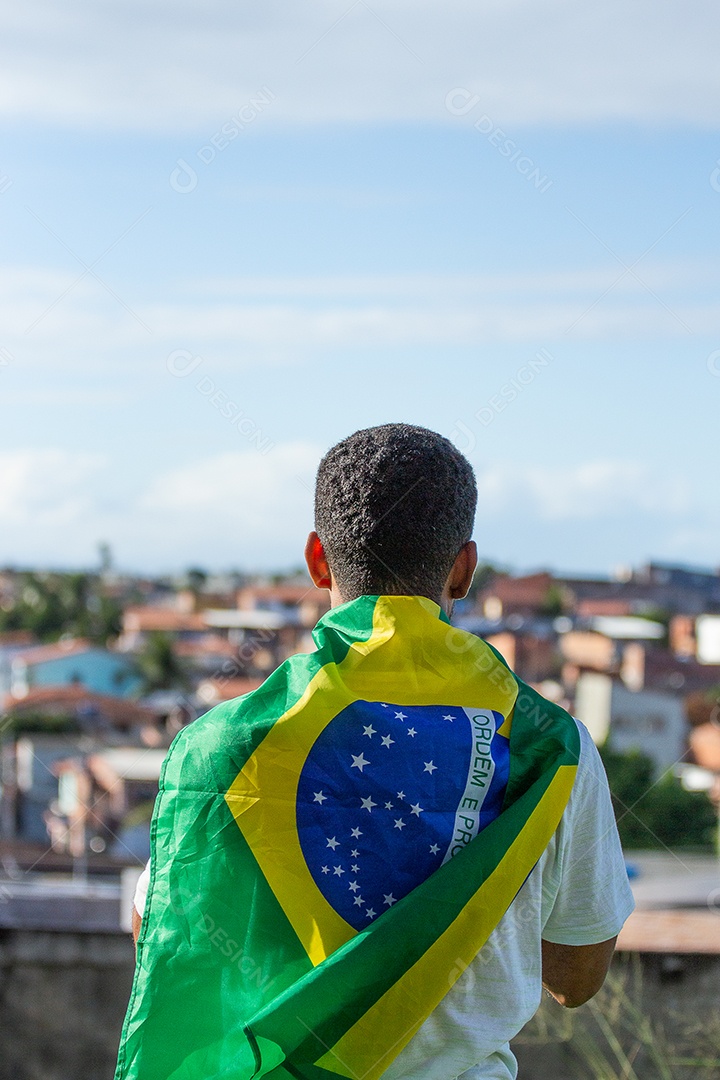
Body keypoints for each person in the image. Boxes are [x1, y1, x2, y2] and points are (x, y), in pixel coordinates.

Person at [119, 423, 634, 1080]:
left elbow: (165, 940)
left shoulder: (220, 749)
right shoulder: (545, 747)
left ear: (317, 560)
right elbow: (578, 976)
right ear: (465, 568)